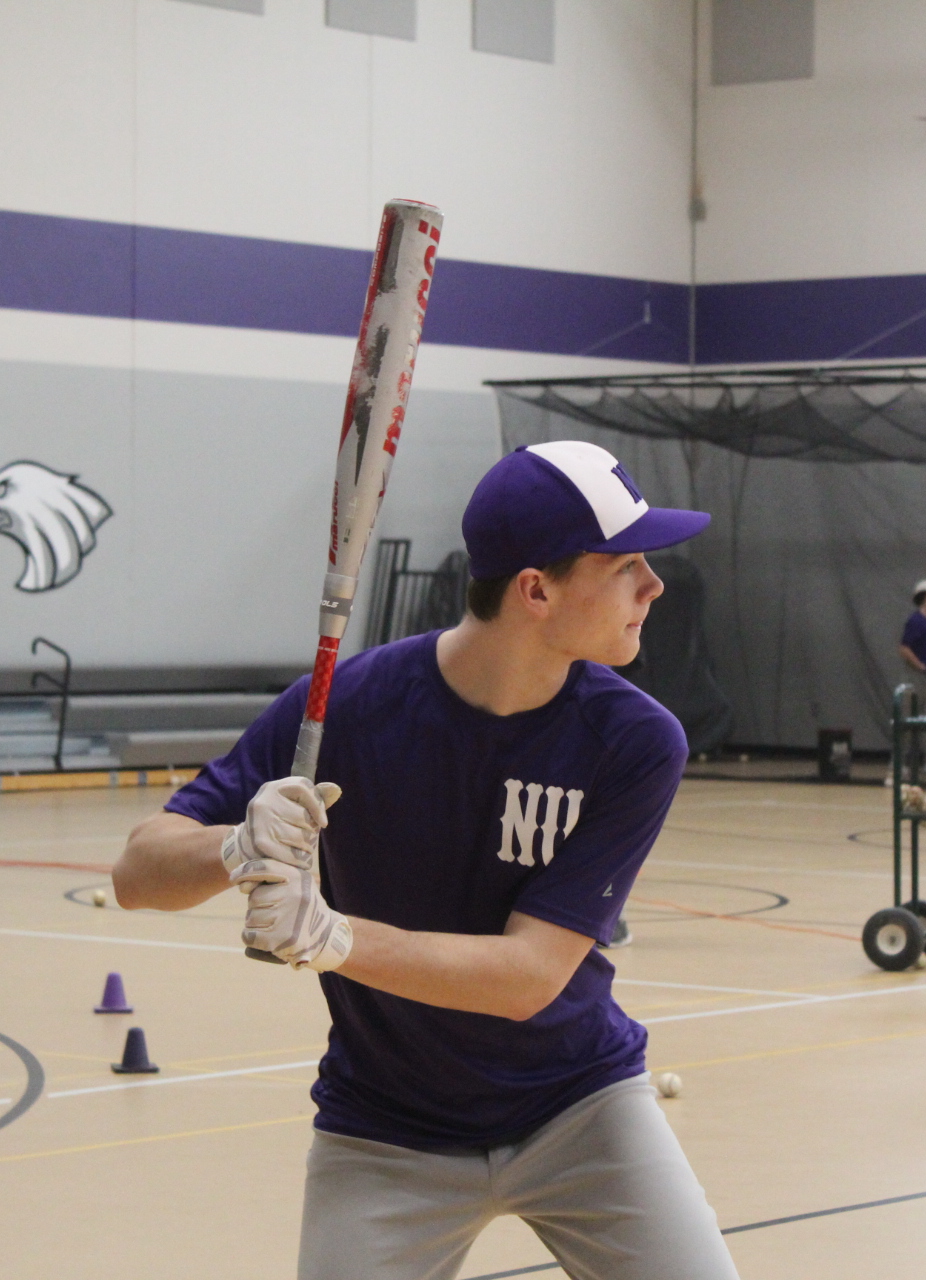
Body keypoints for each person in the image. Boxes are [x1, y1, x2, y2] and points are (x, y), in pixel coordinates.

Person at [113, 441, 737, 1280]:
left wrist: (330, 938)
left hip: (580, 1108)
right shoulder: (347, 711)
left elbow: (526, 976)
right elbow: (137, 874)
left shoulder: (634, 742)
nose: (654, 586)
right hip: (385, 1129)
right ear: (537, 590)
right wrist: (235, 845)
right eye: (626, 565)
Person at [898, 579, 926, 713]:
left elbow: (923, 650)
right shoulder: (916, 621)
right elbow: (904, 649)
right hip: (917, 678)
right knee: (910, 719)